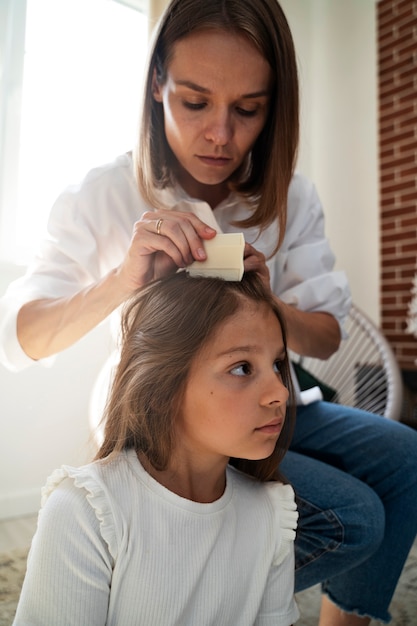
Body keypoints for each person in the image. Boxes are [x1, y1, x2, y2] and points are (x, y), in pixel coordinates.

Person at [1, 0, 417, 624]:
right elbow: (23, 338)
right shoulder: (104, 193)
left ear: (275, 106)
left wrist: (267, 303)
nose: (221, 135)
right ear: (157, 85)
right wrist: (122, 280)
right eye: (195, 102)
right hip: (164, 414)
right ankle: (170, 591)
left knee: (403, 456)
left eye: (248, 109)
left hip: (286, 401)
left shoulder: (292, 198)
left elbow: (327, 335)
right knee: (353, 516)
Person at [12, 271, 299, 626]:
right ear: (163, 389)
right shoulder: (86, 513)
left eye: (278, 365)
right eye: (242, 368)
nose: (281, 393)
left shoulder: (272, 512)